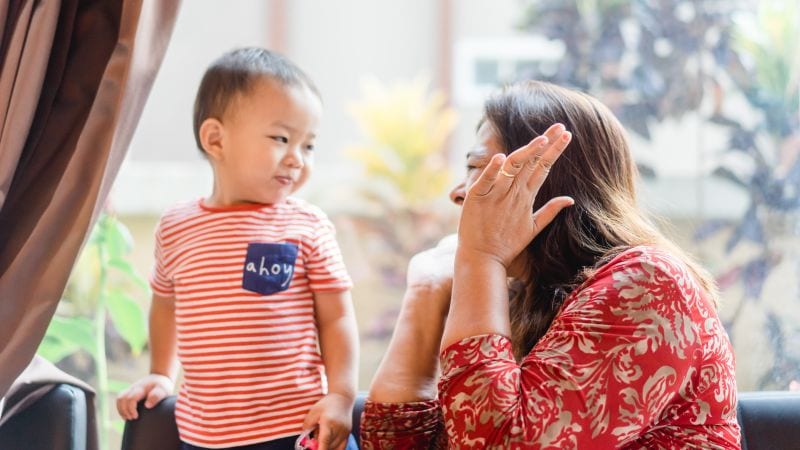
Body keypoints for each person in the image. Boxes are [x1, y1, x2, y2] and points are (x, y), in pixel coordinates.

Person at [361, 80, 741, 449]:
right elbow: (394, 442)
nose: (459, 193)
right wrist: (426, 290)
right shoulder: (515, 297)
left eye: (479, 170)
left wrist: (481, 259)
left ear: (550, 183)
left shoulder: (652, 284)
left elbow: (501, 444)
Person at [116, 47, 359, 450]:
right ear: (216, 139)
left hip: (299, 427)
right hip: (205, 437)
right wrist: (161, 372)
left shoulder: (307, 225)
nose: (297, 159)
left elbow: (337, 318)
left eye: (309, 145)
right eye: (282, 138)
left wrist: (341, 395)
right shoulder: (176, 227)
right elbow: (166, 303)